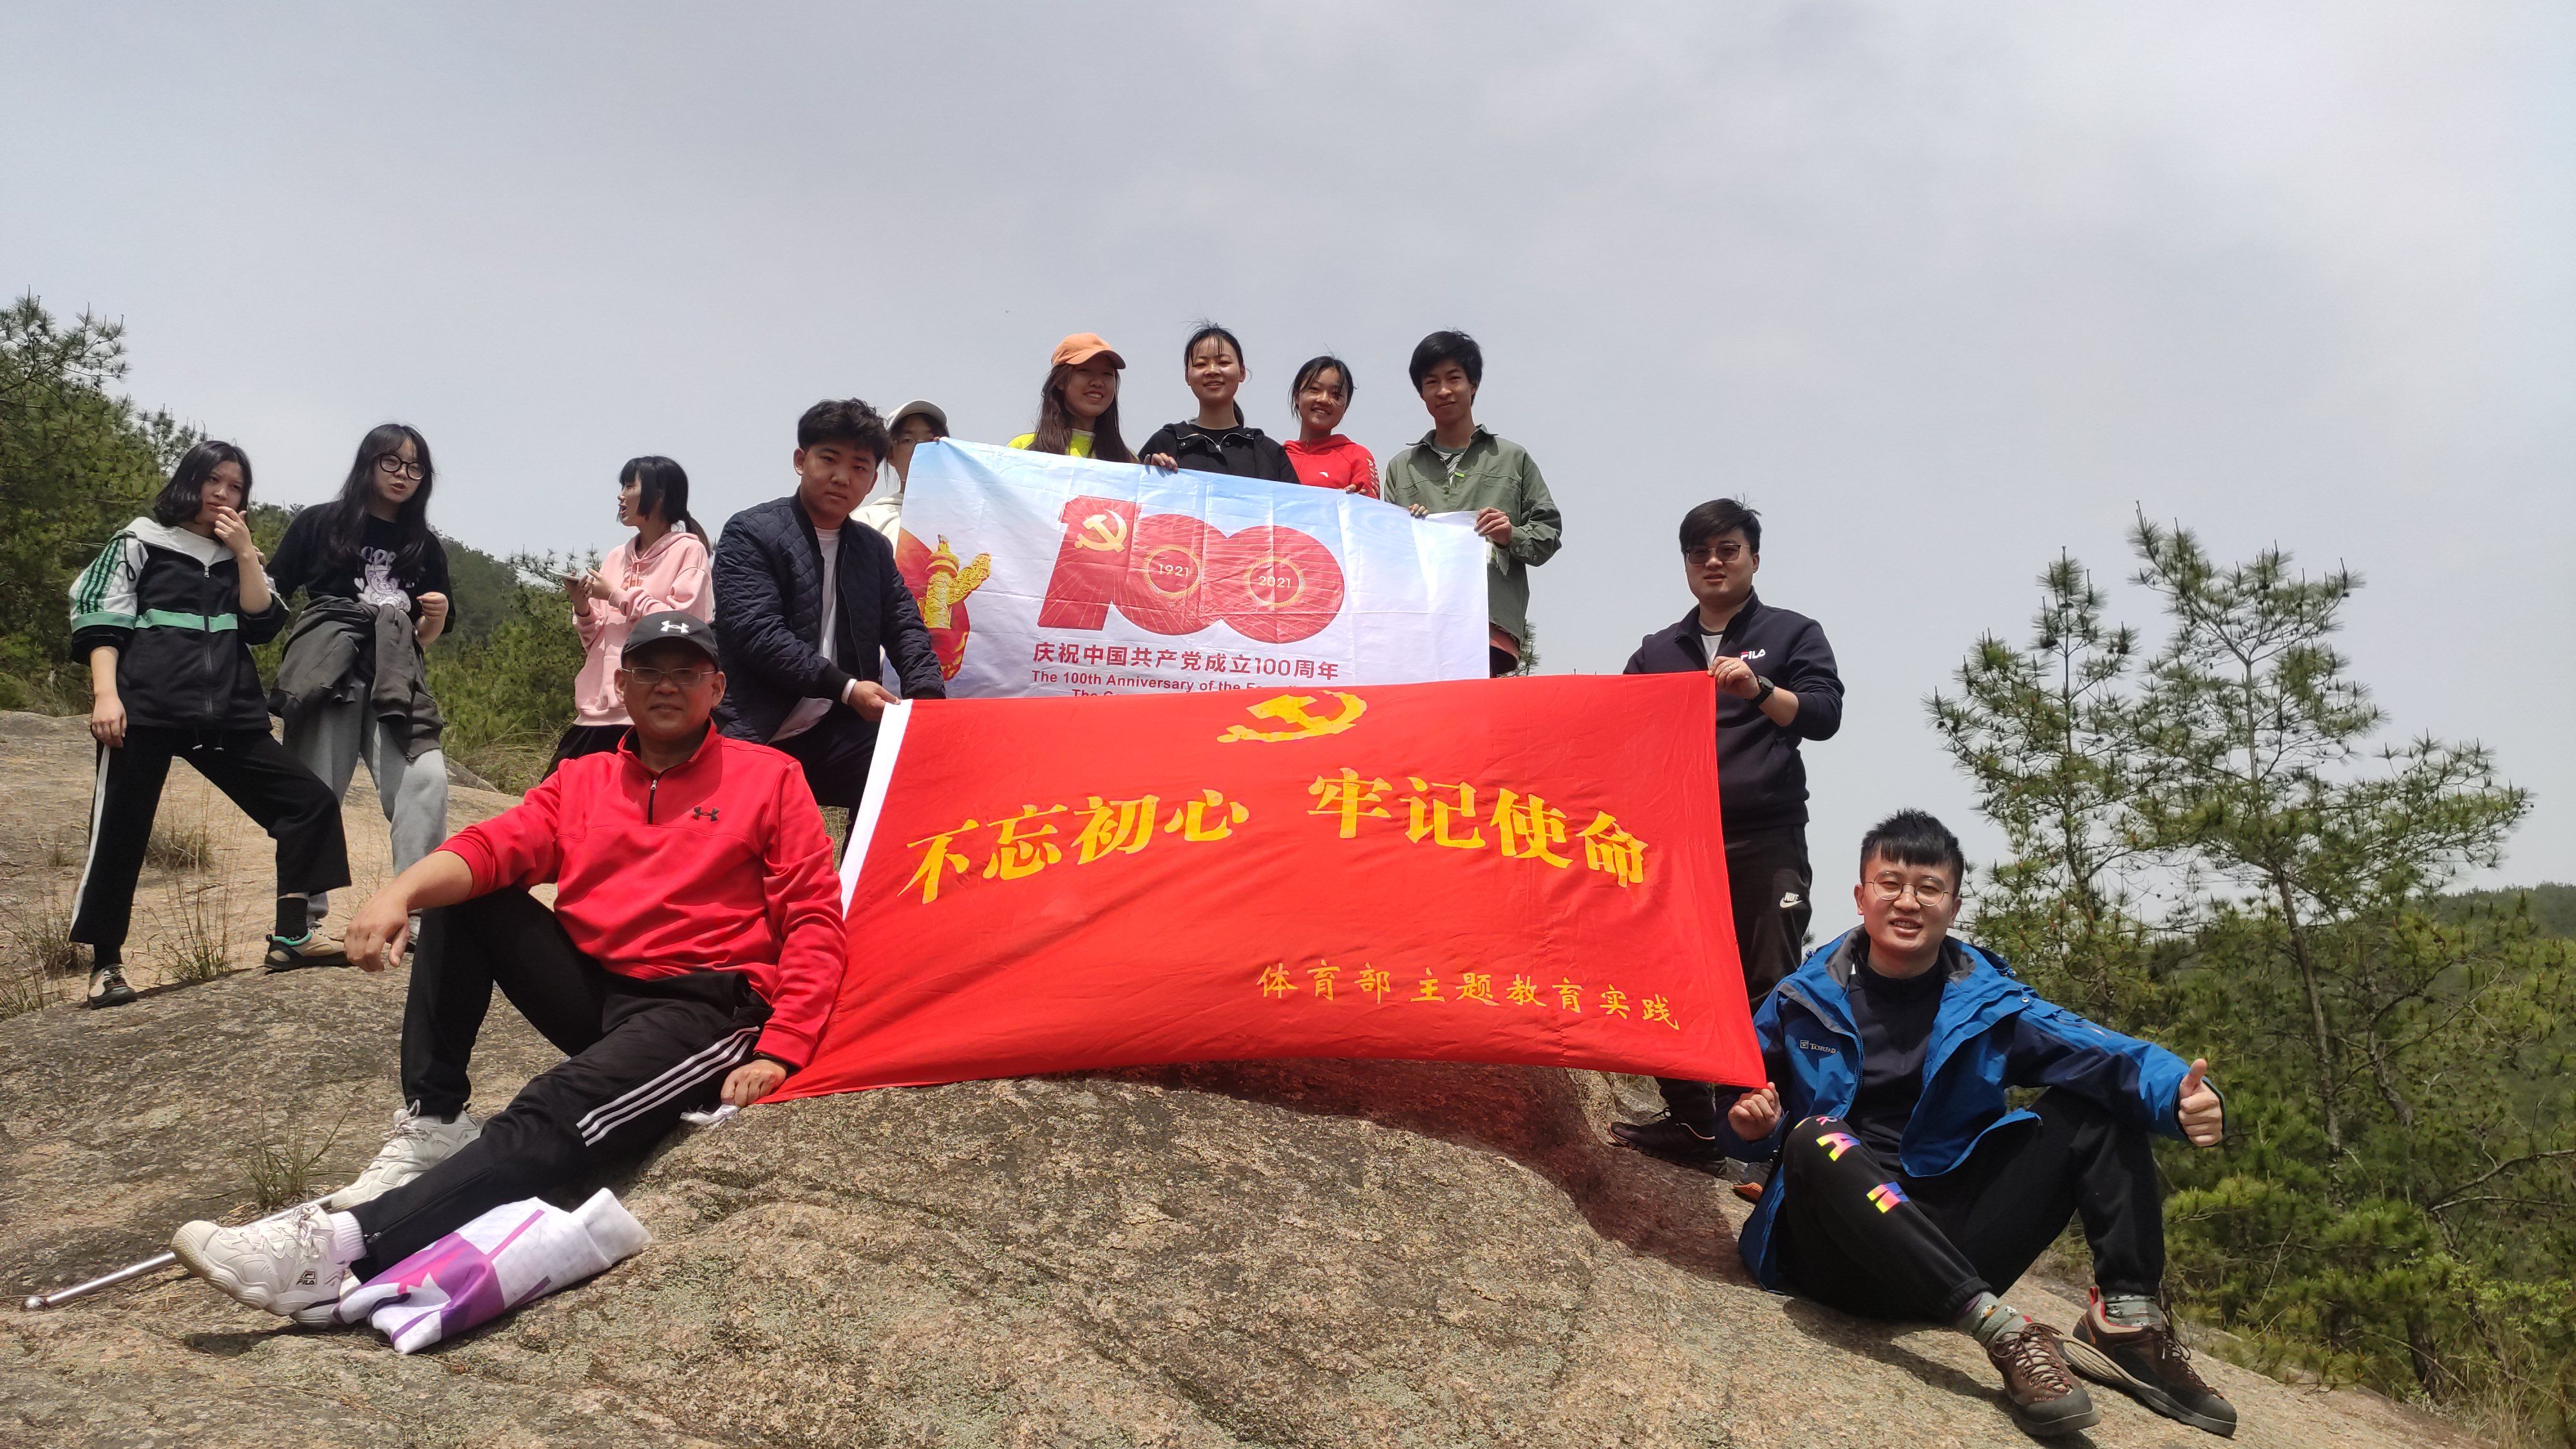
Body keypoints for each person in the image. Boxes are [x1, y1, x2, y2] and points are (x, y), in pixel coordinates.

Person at [169, 613, 846, 1327]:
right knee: (466, 893)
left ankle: (340, 1253)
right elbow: (494, 845)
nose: (667, 686)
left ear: (717, 687)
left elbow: (814, 920)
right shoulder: (583, 779)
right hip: (596, 989)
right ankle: (435, 1119)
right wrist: (400, 893)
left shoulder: (769, 778)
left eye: (687, 672)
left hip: (701, 1008)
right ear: (621, 686)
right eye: (649, 671)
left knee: (553, 1107)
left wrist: (781, 1047)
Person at [1708, 811, 2237, 1439]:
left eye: (1928, 888)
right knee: (1815, 1136)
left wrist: (2179, 1096)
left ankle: (2127, 1322)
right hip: (1835, 1254)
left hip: (1949, 1239)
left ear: (1954, 906)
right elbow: (1732, 1105)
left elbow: (2106, 1055)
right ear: (1861, 896)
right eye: (1890, 883)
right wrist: (1750, 1127)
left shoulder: (1990, 1005)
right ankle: (2001, 1332)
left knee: (2097, 1104)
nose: (1907, 901)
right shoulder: (1801, 1000)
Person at [66, 441, 352, 1005]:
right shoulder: (141, 540)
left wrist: (245, 554)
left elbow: (262, 624)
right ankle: (106, 966)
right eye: (213, 480)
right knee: (121, 830)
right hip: (146, 710)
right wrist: (106, 696)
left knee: (308, 803)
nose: (223, 494)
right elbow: (100, 617)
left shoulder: (236, 554)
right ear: (189, 481)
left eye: (236, 486)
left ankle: (293, 935)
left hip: (229, 714)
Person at [1611, 500, 1843, 1191]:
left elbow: (1824, 714)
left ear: (1753, 558)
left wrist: (1760, 687)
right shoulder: (1658, 649)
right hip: (1678, 840)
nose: (1713, 562)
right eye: (1699, 553)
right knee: (1665, 972)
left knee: (1768, 983)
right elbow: (1617, 731)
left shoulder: (1791, 632)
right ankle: (1692, 1124)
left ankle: (1763, 1144)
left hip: (1766, 837)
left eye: (1727, 549)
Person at [266, 423, 452, 958]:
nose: (402, 475)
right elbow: (272, 594)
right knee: (315, 789)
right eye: (391, 462)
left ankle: (415, 913)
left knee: (426, 779)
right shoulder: (319, 523)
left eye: (414, 467)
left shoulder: (424, 545)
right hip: (330, 667)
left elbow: (426, 637)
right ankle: (298, 925)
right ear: (368, 463)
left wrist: (436, 618)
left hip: (397, 673)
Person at [710, 398, 946, 811]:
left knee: (915, 767)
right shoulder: (751, 533)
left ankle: (861, 859)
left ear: (872, 482)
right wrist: (848, 689)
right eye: (830, 459)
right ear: (801, 461)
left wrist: (926, 699)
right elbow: (757, 633)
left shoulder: (872, 549)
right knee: (732, 834)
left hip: (829, 728)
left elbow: (905, 627)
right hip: (749, 725)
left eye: (859, 467)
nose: (842, 478)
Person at [1378, 330, 1562, 676]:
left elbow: (1548, 535)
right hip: (1421, 624)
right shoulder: (1401, 469)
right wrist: (1405, 530)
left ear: (1473, 384)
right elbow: (1385, 552)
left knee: (1479, 708)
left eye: (1454, 378)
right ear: (1421, 393)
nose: (1443, 390)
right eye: (1432, 382)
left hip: (1489, 624)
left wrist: (1510, 535)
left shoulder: (1512, 459)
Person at [550, 456, 712, 772]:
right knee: (556, 795)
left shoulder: (689, 551)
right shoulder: (615, 557)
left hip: (646, 713)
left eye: (629, 486)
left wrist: (616, 595)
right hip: (596, 712)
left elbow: (682, 627)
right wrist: (583, 607)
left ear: (659, 495)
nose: (621, 496)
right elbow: (594, 641)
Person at [1139, 324, 1300, 481]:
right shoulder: (1164, 444)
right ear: (1187, 376)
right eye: (1201, 364)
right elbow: (1131, 493)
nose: (1212, 371)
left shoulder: (1269, 453)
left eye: (1223, 362)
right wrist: (1148, 478)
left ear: (1242, 372)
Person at [1009, 333, 1137, 462]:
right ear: (1060, 381)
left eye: (1107, 374)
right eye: (1085, 371)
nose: (1098, 382)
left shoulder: (1128, 461)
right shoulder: (1022, 450)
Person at [851, 400, 947, 547]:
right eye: (908, 440)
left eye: (931, 440)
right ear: (890, 454)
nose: (921, 448)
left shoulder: (969, 520)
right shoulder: (869, 520)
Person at [1280, 355, 1378, 497]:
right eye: (1315, 389)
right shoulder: (1275, 457)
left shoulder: (1358, 457)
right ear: (1297, 396)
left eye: (1336, 395)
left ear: (1346, 406)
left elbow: (1370, 508)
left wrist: (1349, 503)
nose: (1324, 400)